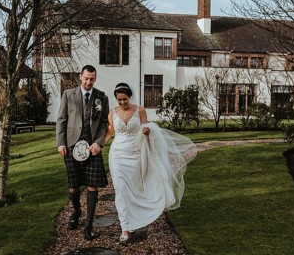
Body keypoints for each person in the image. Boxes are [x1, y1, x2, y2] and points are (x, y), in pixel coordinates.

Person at [105, 82, 197, 242]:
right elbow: (109, 132)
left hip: (135, 155)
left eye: (124, 99)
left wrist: (146, 131)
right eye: (119, 100)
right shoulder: (112, 113)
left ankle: (134, 219)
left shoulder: (140, 110)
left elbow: (145, 129)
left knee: (134, 188)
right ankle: (124, 227)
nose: (122, 103)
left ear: (129, 97)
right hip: (118, 155)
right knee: (120, 190)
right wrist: (97, 144)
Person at [56, 65, 110, 240]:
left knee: (92, 185)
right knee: (73, 185)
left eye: (92, 79)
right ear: (80, 77)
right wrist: (60, 143)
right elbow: (61, 120)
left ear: (95, 78)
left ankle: (89, 224)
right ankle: (77, 212)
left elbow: (104, 124)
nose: (88, 82)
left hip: (92, 148)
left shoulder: (102, 97)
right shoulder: (68, 94)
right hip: (71, 146)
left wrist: (98, 143)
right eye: (86, 78)